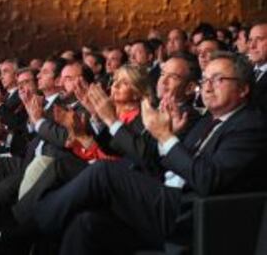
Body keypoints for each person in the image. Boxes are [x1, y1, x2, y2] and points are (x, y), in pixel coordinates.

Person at [33, 51, 267, 255]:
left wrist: (166, 137)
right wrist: (168, 137)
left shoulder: (250, 126)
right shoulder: (206, 121)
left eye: (218, 80)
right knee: (86, 223)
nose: (207, 86)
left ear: (244, 88)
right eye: (206, 79)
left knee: (103, 172)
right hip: (166, 200)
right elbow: (158, 164)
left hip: (192, 214)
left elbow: (208, 179)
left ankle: (28, 225)